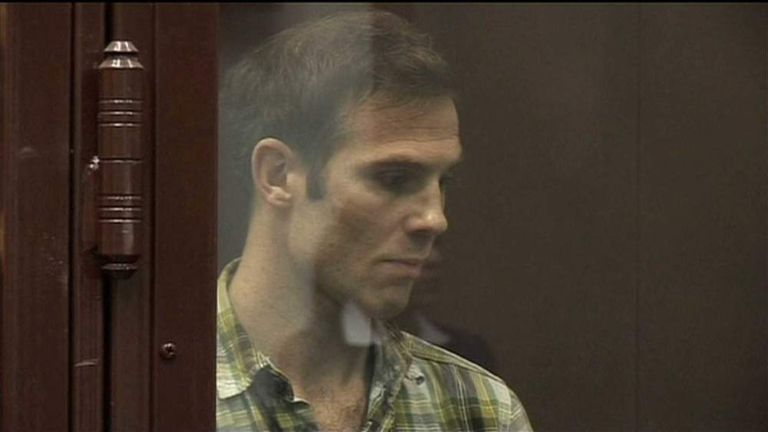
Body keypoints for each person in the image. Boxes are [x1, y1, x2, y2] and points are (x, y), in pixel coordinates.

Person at [217, 10, 533, 432]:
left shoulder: (477, 409)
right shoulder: (157, 388)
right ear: (278, 176)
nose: (435, 219)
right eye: (394, 179)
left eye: (442, 182)